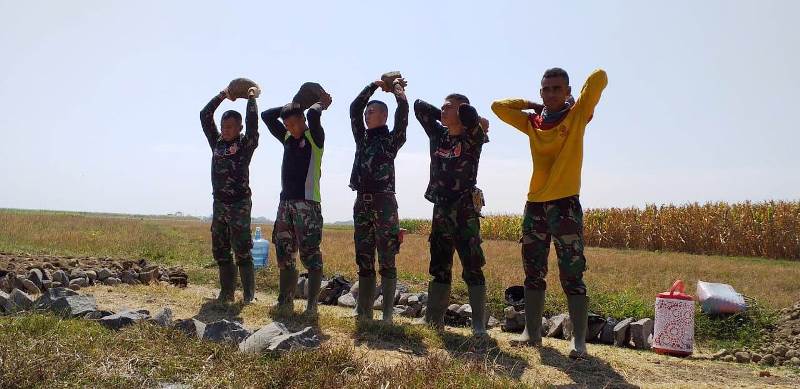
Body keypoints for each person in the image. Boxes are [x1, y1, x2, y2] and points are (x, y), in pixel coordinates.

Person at [491, 68, 608, 358]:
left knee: (572, 273)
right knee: (533, 271)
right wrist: (531, 104)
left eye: (558, 88)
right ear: (541, 93)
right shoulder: (533, 122)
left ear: (567, 91)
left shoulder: (578, 114)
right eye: (546, 89)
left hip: (565, 204)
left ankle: (578, 341)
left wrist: (575, 100)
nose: (552, 93)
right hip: (535, 206)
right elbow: (498, 108)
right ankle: (532, 334)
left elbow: (600, 77)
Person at [412, 93, 490, 338]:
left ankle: (479, 326)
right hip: (441, 209)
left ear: (462, 112)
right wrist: (447, 117)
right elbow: (419, 107)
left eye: (449, 108)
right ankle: (434, 321)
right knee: (439, 266)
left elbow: (475, 122)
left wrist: (465, 119)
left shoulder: (472, 138)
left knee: (473, 266)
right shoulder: (438, 136)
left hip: (465, 209)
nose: (443, 110)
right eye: (442, 107)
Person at [261, 90, 332, 315]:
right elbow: (266, 116)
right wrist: (294, 104)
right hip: (286, 205)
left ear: (303, 120)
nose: (291, 128)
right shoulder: (287, 139)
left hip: (307, 204)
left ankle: (312, 305)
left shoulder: (314, 138)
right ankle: (286, 300)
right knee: (284, 252)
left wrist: (319, 104)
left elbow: (313, 114)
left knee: (311, 254)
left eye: (295, 122)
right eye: (287, 124)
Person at [348, 76, 408, 323]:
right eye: (366, 112)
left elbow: (403, 111)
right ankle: (363, 311)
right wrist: (373, 85)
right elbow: (354, 107)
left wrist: (396, 90)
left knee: (387, 256)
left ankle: (387, 315)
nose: (365, 114)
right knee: (364, 256)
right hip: (362, 200)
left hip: (384, 202)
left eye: (370, 111)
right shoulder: (361, 137)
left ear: (382, 116)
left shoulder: (392, 139)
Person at [199, 85, 260, 304]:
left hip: (239, 204)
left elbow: (253, 127)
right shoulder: (216, 143)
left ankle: (249, 295)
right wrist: (224, 95)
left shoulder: (245, 145)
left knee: (242, 249)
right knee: (221, 249)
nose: (225, 130)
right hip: (219, 204)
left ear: (239, 127)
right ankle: (226, 293)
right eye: (224, 126)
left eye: (230, 126)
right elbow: (205, 115)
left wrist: (251, 99)